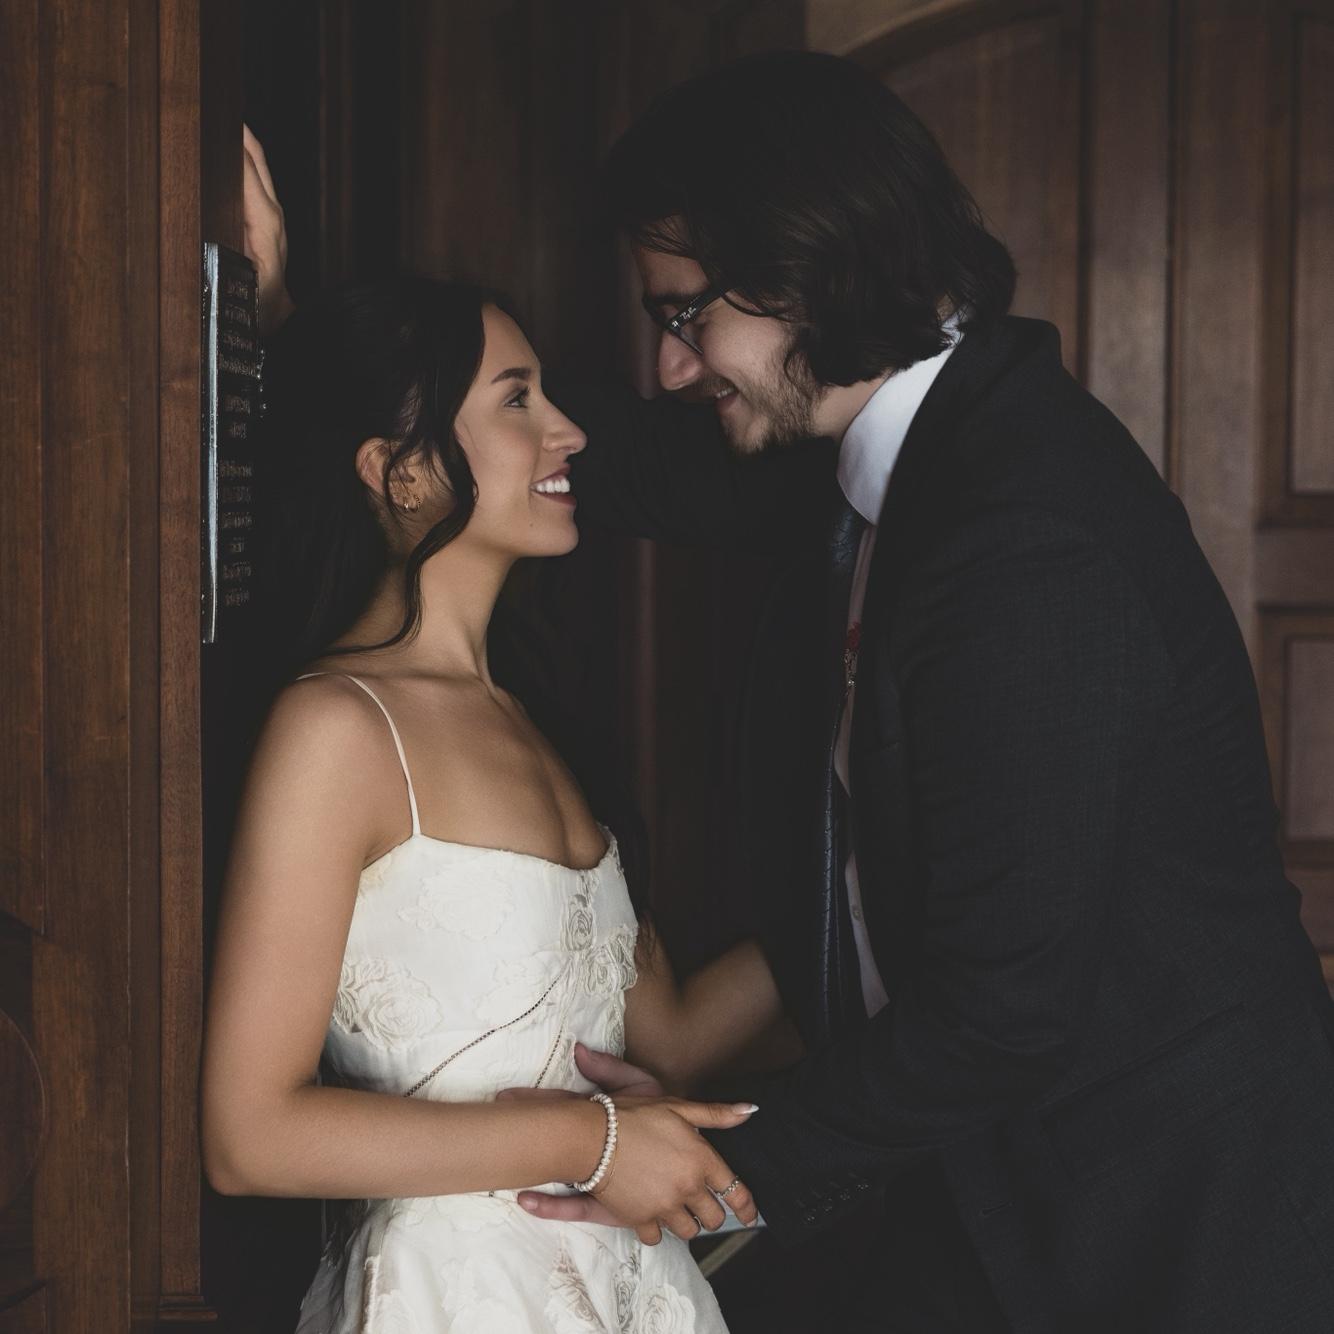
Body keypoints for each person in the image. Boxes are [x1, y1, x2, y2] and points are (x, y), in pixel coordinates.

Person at [245, 49, 1334, 1334]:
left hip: (1163, 1215)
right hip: (992, 1172)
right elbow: (552, 457)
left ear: (801, 274)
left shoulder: (1019, 531)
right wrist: (292, 337)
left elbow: (1001, 1012)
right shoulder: (871, 452)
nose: (668, 367)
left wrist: (684, 1159)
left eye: (682, 316)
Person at [200, 273, 789, 1333]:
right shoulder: (337, 729)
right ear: (400, 470)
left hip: (631, 1289)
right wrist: (591, 1143)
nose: (569, 432)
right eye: (518, 399)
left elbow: (666, 1036)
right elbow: (251, 1135)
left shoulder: (539, 720)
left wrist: (882, 882)